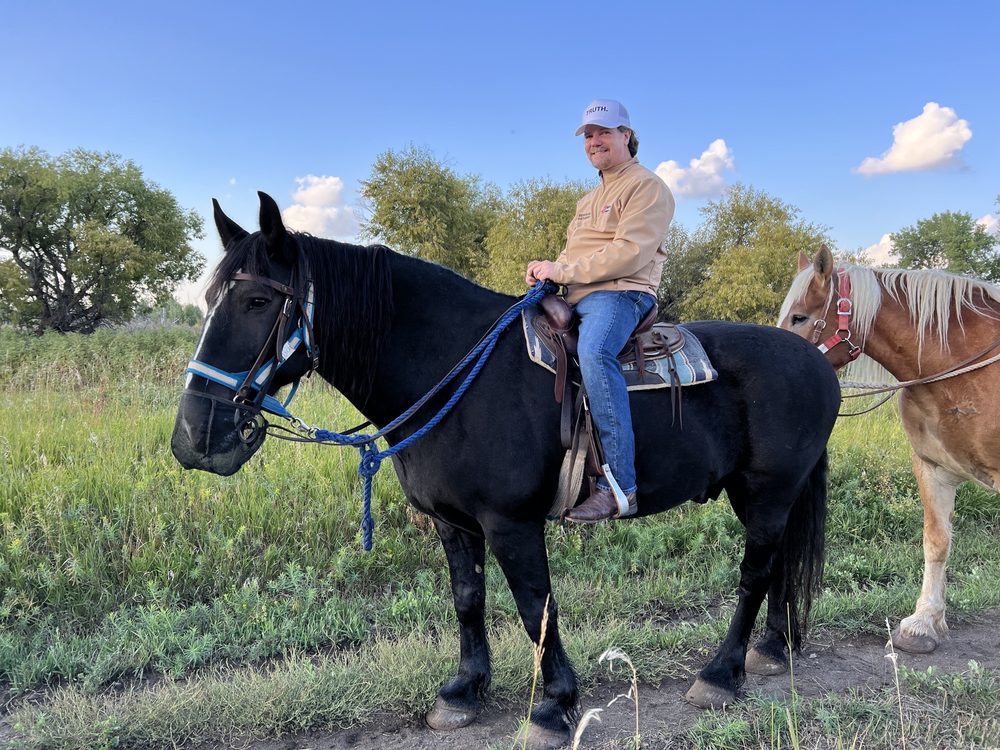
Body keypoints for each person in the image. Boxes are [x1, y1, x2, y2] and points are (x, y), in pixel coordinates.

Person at [525, 98, 675, 523]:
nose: (595, 141)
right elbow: (573, 253)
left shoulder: (648, 187)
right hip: (575, 293)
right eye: (589, 135)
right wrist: (547, 273)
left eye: (604, 132)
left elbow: (628, 254)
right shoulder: (588, 199)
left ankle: (620, 487)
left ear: (626, 136)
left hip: (621, 293)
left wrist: (564, 269)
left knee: (594, 352)